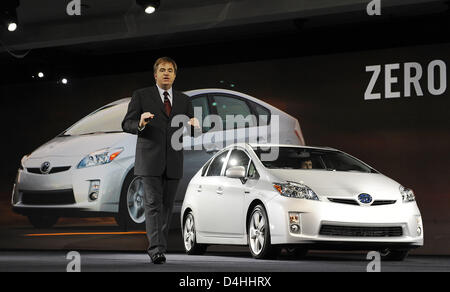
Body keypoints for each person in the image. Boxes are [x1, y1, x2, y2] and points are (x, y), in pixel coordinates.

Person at [122, 57, 200, 264]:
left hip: (173, 162)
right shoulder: (142, 95)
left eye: (170, 70)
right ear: (155, 74)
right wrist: (139, 122)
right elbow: (126, 123)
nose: (166, 73)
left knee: (166, 207)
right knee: (153, 204)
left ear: (175, 75)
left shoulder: (184, 100)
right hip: (149, 161)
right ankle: (156, 249)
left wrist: (196, 126)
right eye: (162, 70)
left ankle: (159, 247)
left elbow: (192, 131)